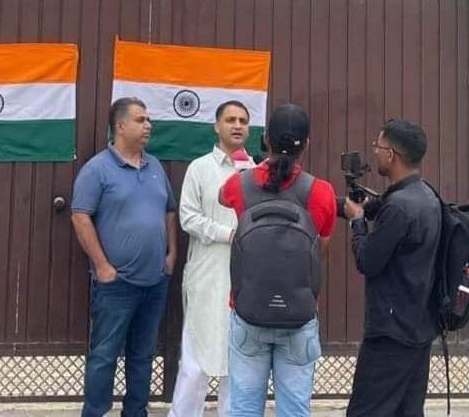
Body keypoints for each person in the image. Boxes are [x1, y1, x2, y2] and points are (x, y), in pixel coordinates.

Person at [219, 103, 336, 417]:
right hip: (299, 314)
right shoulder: (321, 192)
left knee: (243, 407)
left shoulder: (239, 184)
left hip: (247, 311)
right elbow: (320, 250)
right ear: (307, 144)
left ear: (266, 140)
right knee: (295, 409)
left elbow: (221, 197)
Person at [71, 97, 178, 417]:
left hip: (155, 281)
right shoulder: (97, 169)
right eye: (141, 120)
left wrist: (172, 254)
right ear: (120, 126)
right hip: (116, 283)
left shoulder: (155, 166)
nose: (148, 126)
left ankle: (135, 412)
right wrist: (102, 266)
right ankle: (95, 412)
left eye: (148, 120)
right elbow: (80, 216)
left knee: (143, 354)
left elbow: (169, 211)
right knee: (104, 354)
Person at [342, 119, 442, 417]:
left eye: (378, 146)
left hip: (391, 335)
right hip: (417, 328)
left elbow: (368, 261)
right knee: (407, 411)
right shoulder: (425, 195)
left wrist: (357, 221)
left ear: (391, 155)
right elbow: (380, 209)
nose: (374, 152)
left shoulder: (399, 207)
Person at [169, 100, 254, 417]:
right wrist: (227, 234)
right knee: (196, 361)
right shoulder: (200, 168)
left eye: (243, 120)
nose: (237, 125)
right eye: (230, 119)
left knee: (239, 363)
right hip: (207, 275)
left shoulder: (255, 172)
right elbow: (188, 218)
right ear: (216, 126)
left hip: (244, 277)